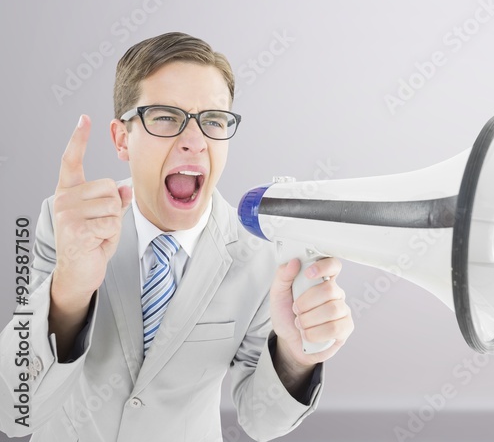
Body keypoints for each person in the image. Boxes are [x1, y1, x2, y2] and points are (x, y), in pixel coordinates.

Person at [0, 32, 354, 441]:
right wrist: (69, 292)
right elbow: (14, 410)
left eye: (213, 121)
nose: (194, 142)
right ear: (121, 138)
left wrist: (295, 356)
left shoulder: (260, 253)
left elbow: (261, 422)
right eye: (166, 116)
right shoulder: (66, 224)